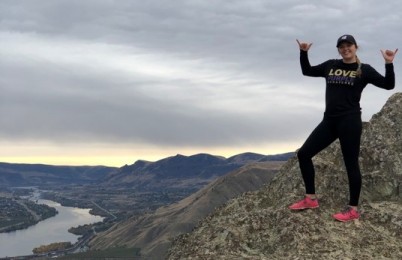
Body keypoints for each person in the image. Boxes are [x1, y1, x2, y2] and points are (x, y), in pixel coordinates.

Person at [288, 34, 398, 222]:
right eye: (342, 46)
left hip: (350, 122)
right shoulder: (331, 65)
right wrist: (303, 52)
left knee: (351, 164)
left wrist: (389, 64)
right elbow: (307, 71)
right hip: (329, 121)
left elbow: (389, 85)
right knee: (304, 154)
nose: (345, 49)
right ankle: (310, 199)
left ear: (356, 47)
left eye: (349, 45)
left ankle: (353, 209)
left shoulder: (364, 69)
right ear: (339, 49)